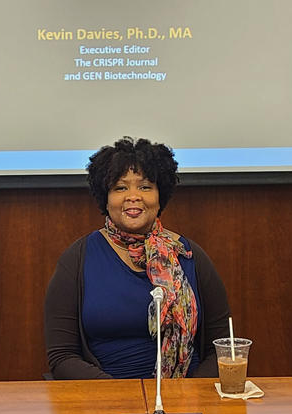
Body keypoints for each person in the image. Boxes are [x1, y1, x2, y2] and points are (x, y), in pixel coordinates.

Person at [44, 136, 230, 380]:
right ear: (106, 198)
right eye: (120, 188)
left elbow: (223, 349)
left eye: (144, 186)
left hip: (185, 401)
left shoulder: (189, 255)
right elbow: (62, 356)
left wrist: (188, 395)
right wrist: (121, 396)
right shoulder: (77, 260)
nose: (133, 196)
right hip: (103, 403)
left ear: (159, 195)